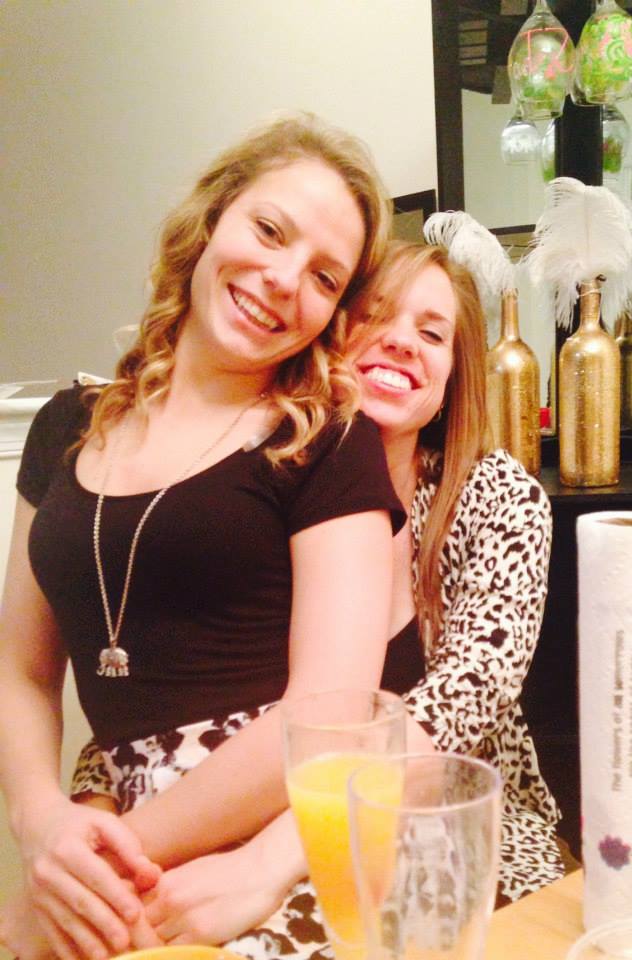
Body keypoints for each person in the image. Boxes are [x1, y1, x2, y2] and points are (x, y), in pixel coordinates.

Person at [0, 112, 415, 960]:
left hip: (277, 843)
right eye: (270, 230)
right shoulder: (63, 428)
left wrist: (106, 861)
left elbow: (331, 710)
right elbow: (21, 667)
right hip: (112, 828)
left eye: (324, 276)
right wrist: (41, 824)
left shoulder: (329, 443)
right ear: (214, 217)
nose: (283, 280)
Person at [101, 240, 565, 954]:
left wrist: (266, 864)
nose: (402, 341)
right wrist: (95, 806)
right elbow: (169, 671)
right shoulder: (261, 484)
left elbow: (462, 706)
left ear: (452, 376)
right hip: (250, 821)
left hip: (453, 827)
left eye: (432, 333)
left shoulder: (498, 500)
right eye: (374, 314)